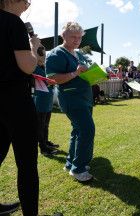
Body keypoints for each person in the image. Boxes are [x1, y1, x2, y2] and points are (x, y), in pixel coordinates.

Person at [0, 0, 40, 215]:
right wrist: (34, 48)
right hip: (15, 101)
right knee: (26, 164)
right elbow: (27, 66)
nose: (28, 3)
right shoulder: (14, 23)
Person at [46, 22, 95, 182]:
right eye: (73, 36)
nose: (77, 40)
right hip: (71, 98)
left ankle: (71, 163)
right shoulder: (56, 54)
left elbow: (83, 72)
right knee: (87, 130)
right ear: (63, 36)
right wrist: (75, 73)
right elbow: (52, 78)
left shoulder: (78, 53)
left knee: (77, 131)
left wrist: (94, 74)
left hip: (84, 97)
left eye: (79, 37)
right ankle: (78, 168)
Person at [33, 45, 59, 156]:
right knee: (40, 125)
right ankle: (43, 148)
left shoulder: (44, 67)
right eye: (41, 54)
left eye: (44, 54)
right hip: (40, 101)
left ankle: (46, 142)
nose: (43, 57)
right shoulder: (33, 67)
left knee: (46, 125)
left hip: (47, 100)